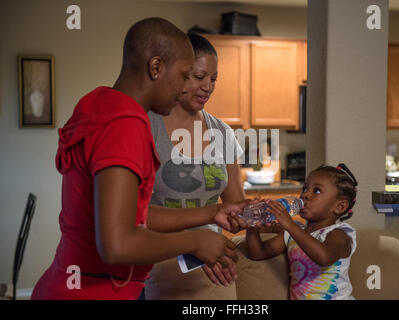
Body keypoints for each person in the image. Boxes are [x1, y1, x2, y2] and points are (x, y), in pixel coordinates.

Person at [31, 18, 246, 300]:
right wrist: (195, 240)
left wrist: (209, 214)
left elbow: (132, 213)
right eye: (185, 75)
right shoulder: (126, 123)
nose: (186, 87)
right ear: (156, 68)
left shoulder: (98, 104)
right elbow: (117, 244)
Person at [144, 33, 247, 299]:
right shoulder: (145, 126)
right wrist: (191, 245)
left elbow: (235, 206)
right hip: (160, 259)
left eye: (213, 79)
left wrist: (265, 216)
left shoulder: (223, 133)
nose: (208, 87)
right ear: (176, 73)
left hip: (214, 263)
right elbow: (133, 216)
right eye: (199, 77)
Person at [245, 163, 358, 300]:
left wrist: (290, 225)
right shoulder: (290, 234)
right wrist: (252, 226)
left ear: (339, 207)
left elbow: (324, 257)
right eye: (305, 188)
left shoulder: (338, 234)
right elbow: (258, 253)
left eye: (316, 191)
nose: (305, 195)